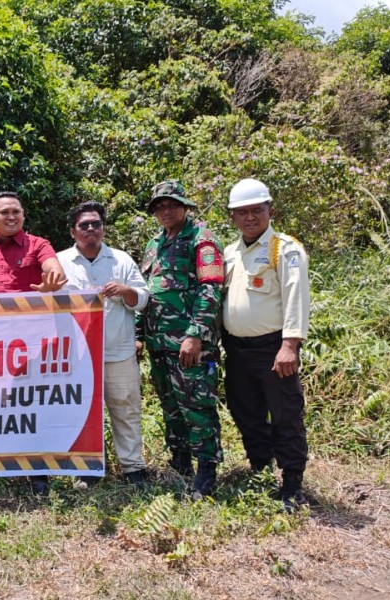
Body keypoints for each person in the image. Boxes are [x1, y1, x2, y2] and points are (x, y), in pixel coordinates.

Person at [0, 191, 66, 494]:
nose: (11, 217)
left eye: (16, 212)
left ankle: (38, 472)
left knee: (30, 404)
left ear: (23, 215)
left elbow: (54, 269)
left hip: (30, 344)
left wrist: (53, 279)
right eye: (4, 212)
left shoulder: (39, 245)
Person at [222, 178, 311, 512]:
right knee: (246, 413)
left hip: (273, 349)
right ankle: (260, 473)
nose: (249, 218)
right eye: (241, 212)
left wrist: (290, 345)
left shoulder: (284, 249)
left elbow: (296, 300)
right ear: (232, 216)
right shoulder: (230, 252)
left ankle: (292, 486)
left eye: (256, 210)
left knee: (286, 415)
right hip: (237, 350)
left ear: (270, 210)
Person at [139, 180, 225, 499]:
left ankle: (206, 472)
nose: (165, 210)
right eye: (159, 206)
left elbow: (211, 288)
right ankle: (180, 466)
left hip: (190, 345)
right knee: (171, 408)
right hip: (158, 344)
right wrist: (138, 335)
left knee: (198, 407)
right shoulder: (154, 244)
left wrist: (195, 335)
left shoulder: (201, 240)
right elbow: (145, 293)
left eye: (171, 204)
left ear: (184, 206)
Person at [57, 202, 150, 488]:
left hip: (117, 351)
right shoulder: (59, 262)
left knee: (126, 408)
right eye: (84, 225)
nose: (90, 229)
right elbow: (48, 305)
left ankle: (133, 469)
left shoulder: (121, 260)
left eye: (96, 224)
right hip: (77, 356)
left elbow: (144, 298)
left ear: (103, 228)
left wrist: (125, 291)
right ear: (73, 231)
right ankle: (86, 469)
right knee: (80, 413)